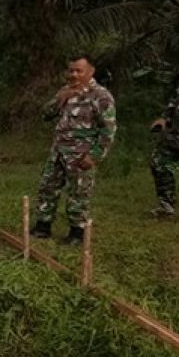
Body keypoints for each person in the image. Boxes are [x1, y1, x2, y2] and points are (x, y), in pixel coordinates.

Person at [32, 55, 117, 243]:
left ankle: (77, 233)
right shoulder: (65, 91)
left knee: (78, 193)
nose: (74, 74)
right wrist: (59, 100)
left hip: (81, 154)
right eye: (71, 70)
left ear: (91, 72)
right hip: (59, 151)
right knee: (47, 188)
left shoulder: (101, 96)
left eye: (79, 71)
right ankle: (42, 226)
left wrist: (95, 155)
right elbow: (45, 114)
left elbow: (108, 130)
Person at [149, 73, 179, 218]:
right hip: (178, 135)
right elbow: (176, 98)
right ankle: (166, 206)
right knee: (158, 163)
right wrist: (164, 118)